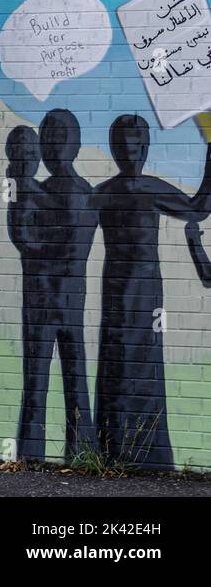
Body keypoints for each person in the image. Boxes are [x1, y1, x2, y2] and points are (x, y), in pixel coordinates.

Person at [89, 114, 211, 470]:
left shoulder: (111, 193)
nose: (133, 152)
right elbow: (198, 209)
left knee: (134, 366)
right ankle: (125, 448)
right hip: (126, 288)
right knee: (124, 365)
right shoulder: (119, 192)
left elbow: (198, 209)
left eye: (138, 144)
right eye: (128, 145)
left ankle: (131, 449)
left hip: (135, 288)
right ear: (116, 149)